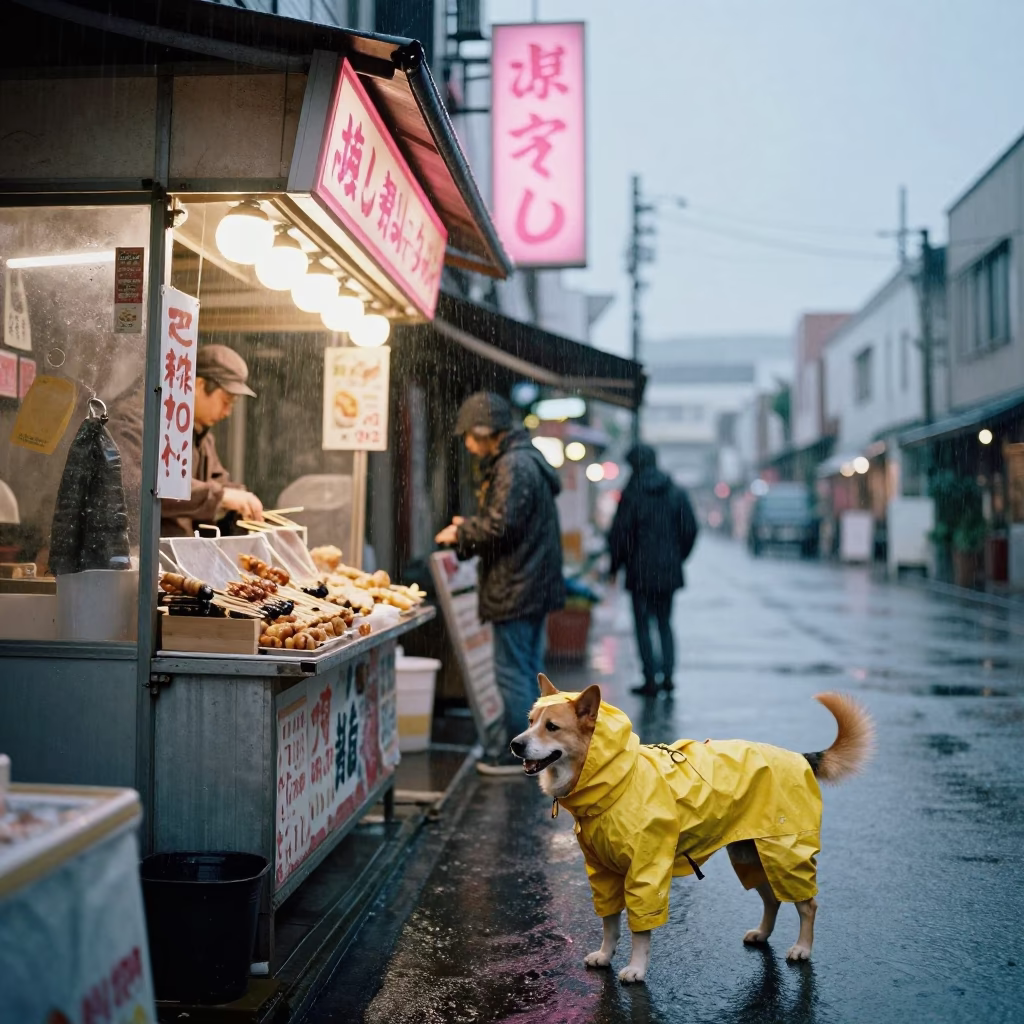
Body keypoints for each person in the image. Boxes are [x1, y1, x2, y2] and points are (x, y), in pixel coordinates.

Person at [435, 392, 566, 775]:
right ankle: (538, 751)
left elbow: (501, 525)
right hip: (531, 584)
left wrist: (460, 533)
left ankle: (523, 755)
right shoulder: (527, 459)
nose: (468, 445)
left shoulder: (513, 465)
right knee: (527, 671)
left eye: (469, 436)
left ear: (485, 431)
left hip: (516, 586)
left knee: (513, 674)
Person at [607, 443, 699, 697]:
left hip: (639, 572)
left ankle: (650, 678)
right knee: (664, 622)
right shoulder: (675, 491)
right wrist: (677, 557)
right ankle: (668, 676)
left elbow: (620, 535)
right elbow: (690, 529)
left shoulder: (632, 493)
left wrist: (616, 566)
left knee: (643, 625)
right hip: (668, 571)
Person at [160, 344, 265, 537]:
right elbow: (153, 487)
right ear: (199, 386)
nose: (227, 412)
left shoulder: (203, 437)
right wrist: (221, 497)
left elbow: (217, 481)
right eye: (226, 401)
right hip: (149, 557)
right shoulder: (152, 426)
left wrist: (242, 498)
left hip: (183, 554)